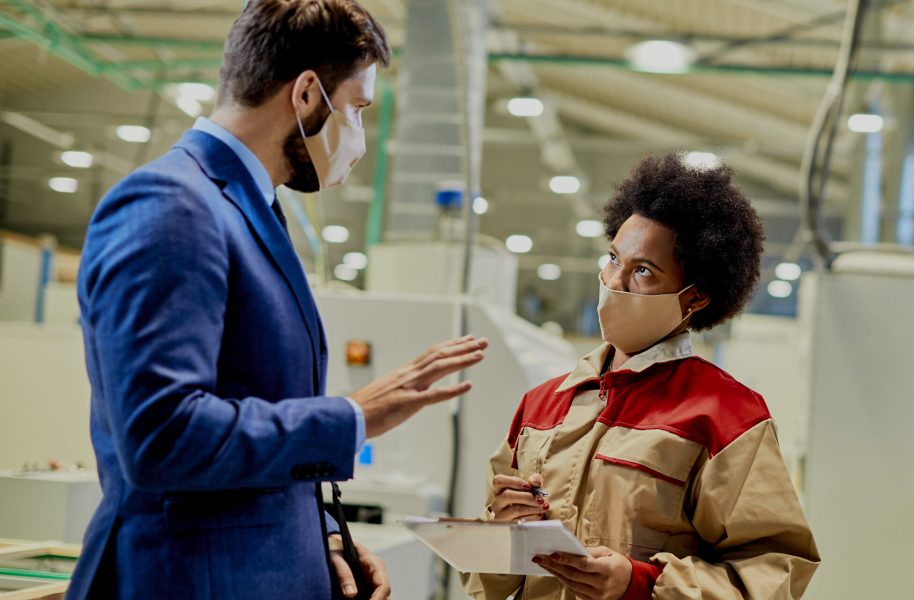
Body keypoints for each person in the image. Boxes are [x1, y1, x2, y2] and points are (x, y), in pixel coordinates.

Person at [68, 1, 488, 598]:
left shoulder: (250, 207)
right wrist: (355, 416)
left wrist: (319, 538)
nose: (359, 136)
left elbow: (248, 418)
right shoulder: (173, 205)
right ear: (309, 95)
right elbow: (161, 435)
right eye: (358, 109)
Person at [462, 154, 820, 600]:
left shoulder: (726, 416)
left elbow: (774, 572)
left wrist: (642, 584)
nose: (615, 282)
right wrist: (502, 533)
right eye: (613, 258)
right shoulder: (543, 404)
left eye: (643, 271)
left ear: (696, 297)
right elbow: (487, 586)